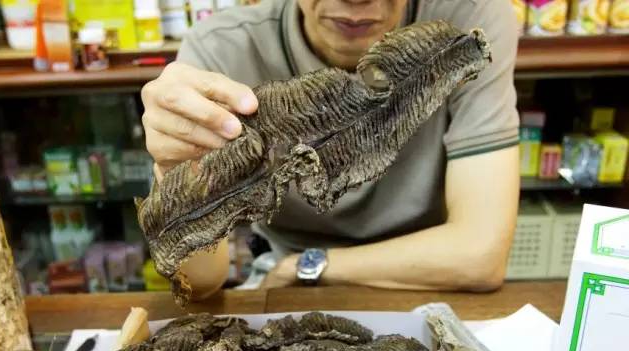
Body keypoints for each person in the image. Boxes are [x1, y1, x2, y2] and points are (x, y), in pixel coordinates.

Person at [141, 0, 519, 297]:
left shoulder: (469, 23)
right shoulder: (223, 47)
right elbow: (200, 285)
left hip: (429, 278)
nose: (356, 1)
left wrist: (306, 266)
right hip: (287, 286)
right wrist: (177, 174)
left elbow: (480, 255)